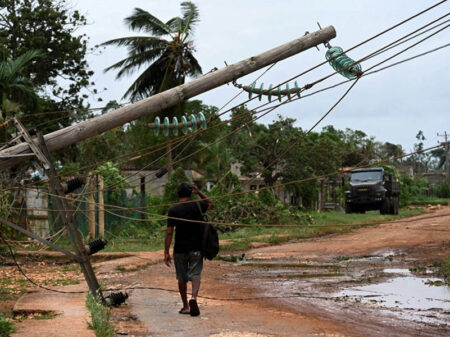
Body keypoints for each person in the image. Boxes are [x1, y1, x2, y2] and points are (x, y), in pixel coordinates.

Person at [164, 182, 214, 316]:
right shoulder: (198, 204)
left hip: (180, 249)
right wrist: (199, 192)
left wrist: (166, 252)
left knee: (181, 277)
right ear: (190, 193)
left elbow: (169, 232)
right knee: (196, 275)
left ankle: (186, 306)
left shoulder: (173, 209)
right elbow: (211, 204)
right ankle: (194, 298)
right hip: (196, 248)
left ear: (178, 194)